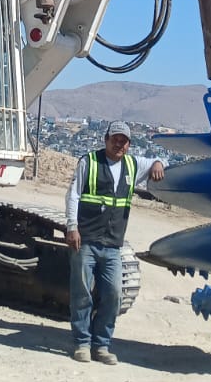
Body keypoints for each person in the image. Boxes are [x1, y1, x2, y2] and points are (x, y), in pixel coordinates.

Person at [64, 120, 165, 365]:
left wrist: (158, 164)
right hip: (86, 240)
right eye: (115, 139)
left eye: (124, 141)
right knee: (82, 294)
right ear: (106, 139)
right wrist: (72, 227)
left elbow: (158, 161)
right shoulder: (89, 162)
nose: (119, 144)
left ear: (129, 144)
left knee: (113, 294)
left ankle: (102, 345)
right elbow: (73, 195)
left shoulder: (132, 164)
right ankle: (82, 343)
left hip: (112, 244)